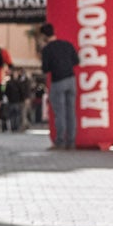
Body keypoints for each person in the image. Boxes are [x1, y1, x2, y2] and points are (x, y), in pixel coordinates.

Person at [37, 21, 80, 150]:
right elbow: (76, 61)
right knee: (71, 112)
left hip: (58, 82)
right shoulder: (66, 44)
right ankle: (71, 141)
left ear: (44, 36)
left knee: (59, 113)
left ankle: (60, 141)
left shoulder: (47, 50)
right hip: (71, 80)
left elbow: (45, 69)